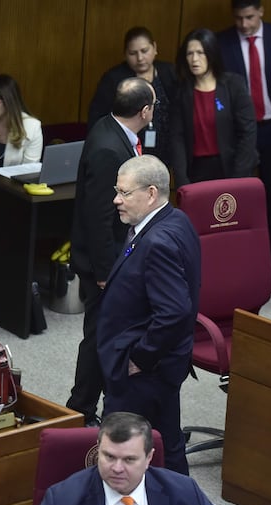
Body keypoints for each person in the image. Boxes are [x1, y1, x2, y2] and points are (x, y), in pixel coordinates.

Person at [97, 155, 201, 474]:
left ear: (151, 193)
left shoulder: (157, 241)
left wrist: (141, 358)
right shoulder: (175, 220)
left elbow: (173, 312)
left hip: (146, 373)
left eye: (124, 193)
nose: (116, 199)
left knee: (124, 452)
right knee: (167, 444)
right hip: (166, 365)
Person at [68, 77, 155, 427]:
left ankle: (98, 404)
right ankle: (80, 410)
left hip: (113, 258)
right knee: (99, 337)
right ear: (145, 111)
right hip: (102, 264)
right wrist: (106, 272)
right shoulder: (109, 148)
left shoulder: (111, 130)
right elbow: (100, 217)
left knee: (107, 333)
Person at [30, 412, 263, 505]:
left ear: (149, 458)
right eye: (109, 456)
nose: (117, 468)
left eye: (129, 459)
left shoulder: (181, 491)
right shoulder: (62, 501)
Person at [217, 0, 271, 273]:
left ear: (261, 11)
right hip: (239, 131)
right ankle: (235, 252)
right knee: (235, 192)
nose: (244, 25)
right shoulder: (222, 41)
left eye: (250, 17)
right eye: (238, 18)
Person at [171, 28, 258, 186]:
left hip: (231, 168)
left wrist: (238, 178)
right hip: (196, 171)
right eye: (190, 53)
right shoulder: (182, 92)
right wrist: (181, 179)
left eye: (200, 52)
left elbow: (247, 134)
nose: (194, 59)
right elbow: (177, 138)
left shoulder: (234, 85)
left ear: (212, 54)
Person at [87, 26, 177, 165]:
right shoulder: (113, 79)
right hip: (126, 152)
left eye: (144, 51)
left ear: (154, 48)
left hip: (165, 151)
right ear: (125, 54)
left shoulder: (170, 73)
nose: (140, 58)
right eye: (133, 53)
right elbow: (98, 117)